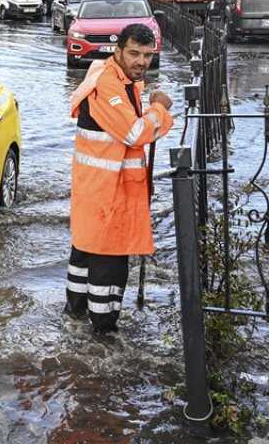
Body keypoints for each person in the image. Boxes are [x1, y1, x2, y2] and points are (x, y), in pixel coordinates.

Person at [65, 23, 174, 333]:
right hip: (105, 193)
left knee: (86, 254)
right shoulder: (110, 86)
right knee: (107, 267)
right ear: (118, 51)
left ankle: (75, 321)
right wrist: (159, 109)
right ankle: (102, 337)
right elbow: (134, 133)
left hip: (100, 189)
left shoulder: (118, 78)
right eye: (134, 54)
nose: (141, 61)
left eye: (147, 55)